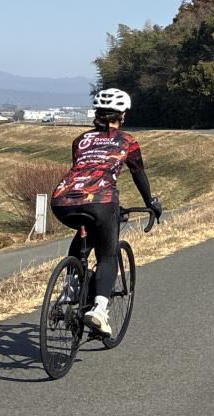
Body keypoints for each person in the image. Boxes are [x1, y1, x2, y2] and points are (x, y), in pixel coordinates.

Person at [50, 87, 163, 335]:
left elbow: (83, 170)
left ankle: (71, 285)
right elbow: (138, 174)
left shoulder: (81, 140)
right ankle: (99, 309)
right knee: (108, 256)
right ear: (122, 115)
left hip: (62, 200)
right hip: (101, 200)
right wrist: (151, 201)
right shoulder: (127, 141)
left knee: (84, 231)